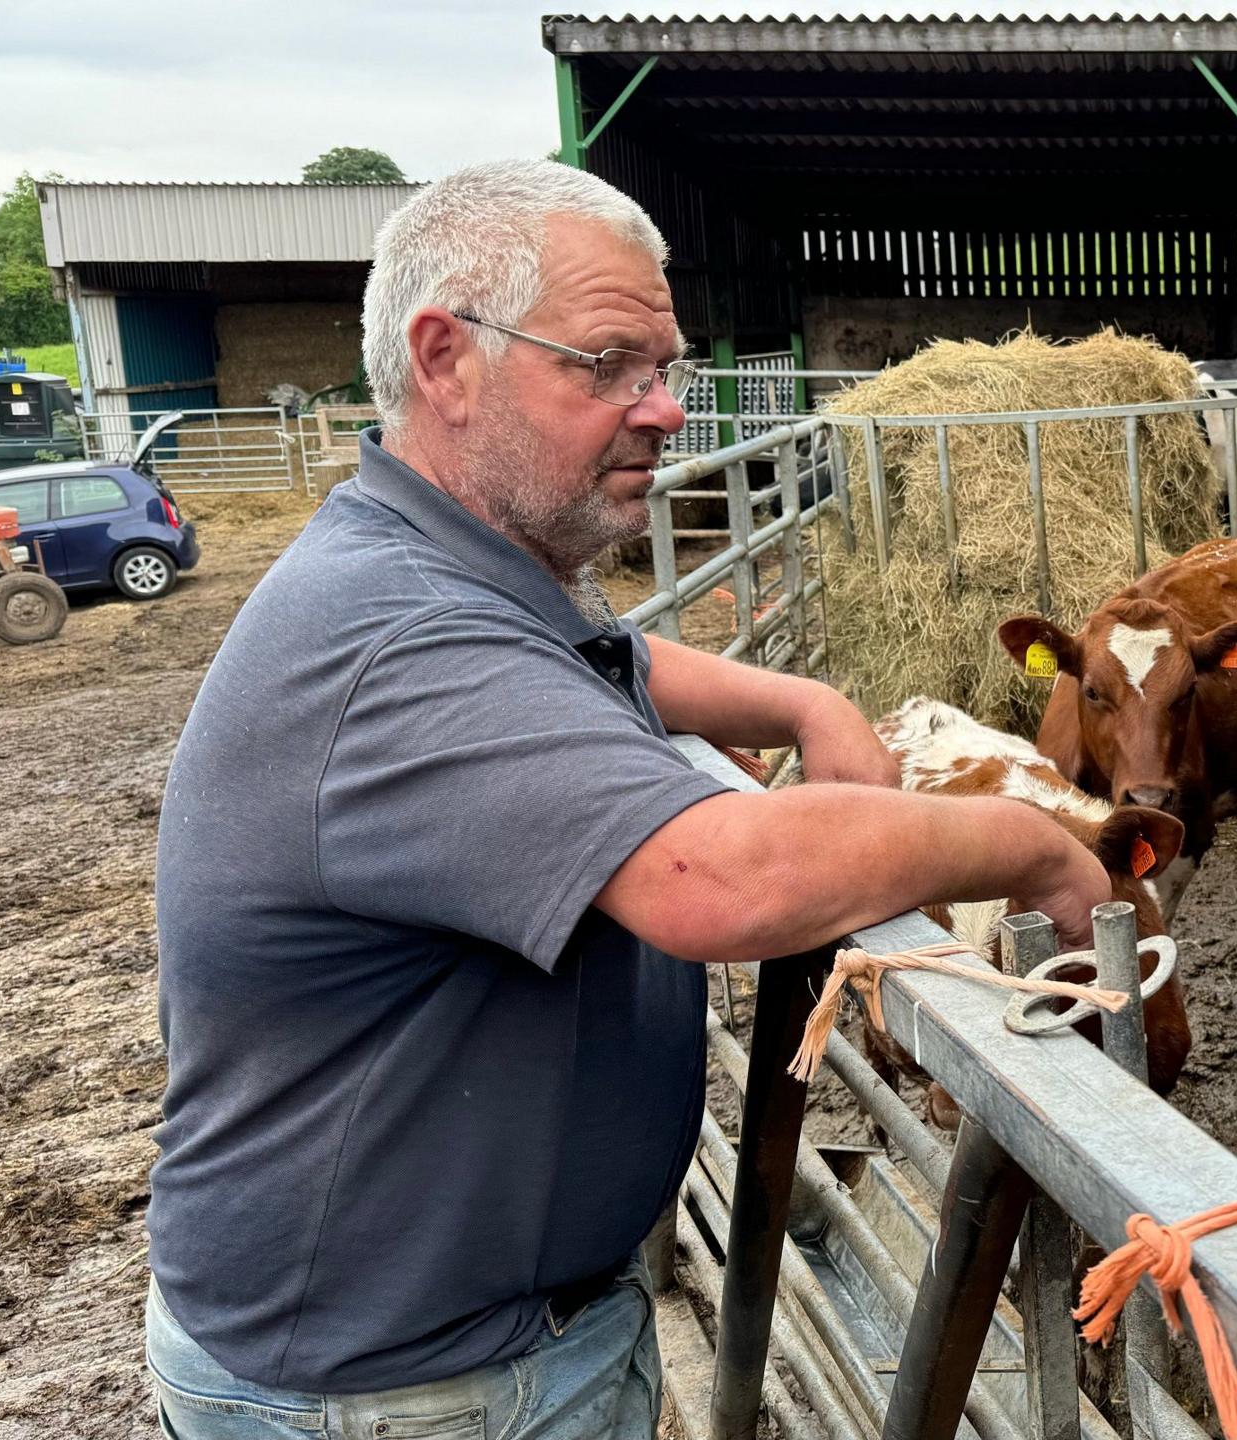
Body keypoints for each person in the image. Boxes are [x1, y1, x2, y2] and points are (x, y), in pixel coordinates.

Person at [142, 159, 1112, 1439]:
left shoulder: (441, 570)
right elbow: (722, 880)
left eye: (667, 369)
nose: (663, 412)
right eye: (607, 365)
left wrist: (801, 706)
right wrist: (1032, 846)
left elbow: (618, 659)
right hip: (402, 1394)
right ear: (445, 360)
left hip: (441, 1348)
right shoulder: (399, 635)